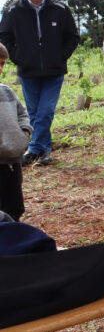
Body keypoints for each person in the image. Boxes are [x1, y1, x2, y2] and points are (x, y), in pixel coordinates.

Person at [0, 0, 80, 167]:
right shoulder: (13, 11)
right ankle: (44, 150)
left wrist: (61, 55)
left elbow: (73, 36)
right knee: (34, 113)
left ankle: (34, 148)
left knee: (45, 112)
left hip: (54, 71)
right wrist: (19, 58)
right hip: (28, 71)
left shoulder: (60, 9)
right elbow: (4, 36)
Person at [0, 44, 31, 220]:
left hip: (12, 162)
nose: (0, 68)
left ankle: (13, 241)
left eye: (2, 63)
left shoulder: (7, 92)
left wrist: (24, 133)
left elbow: (22, 114)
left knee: (14, 207)